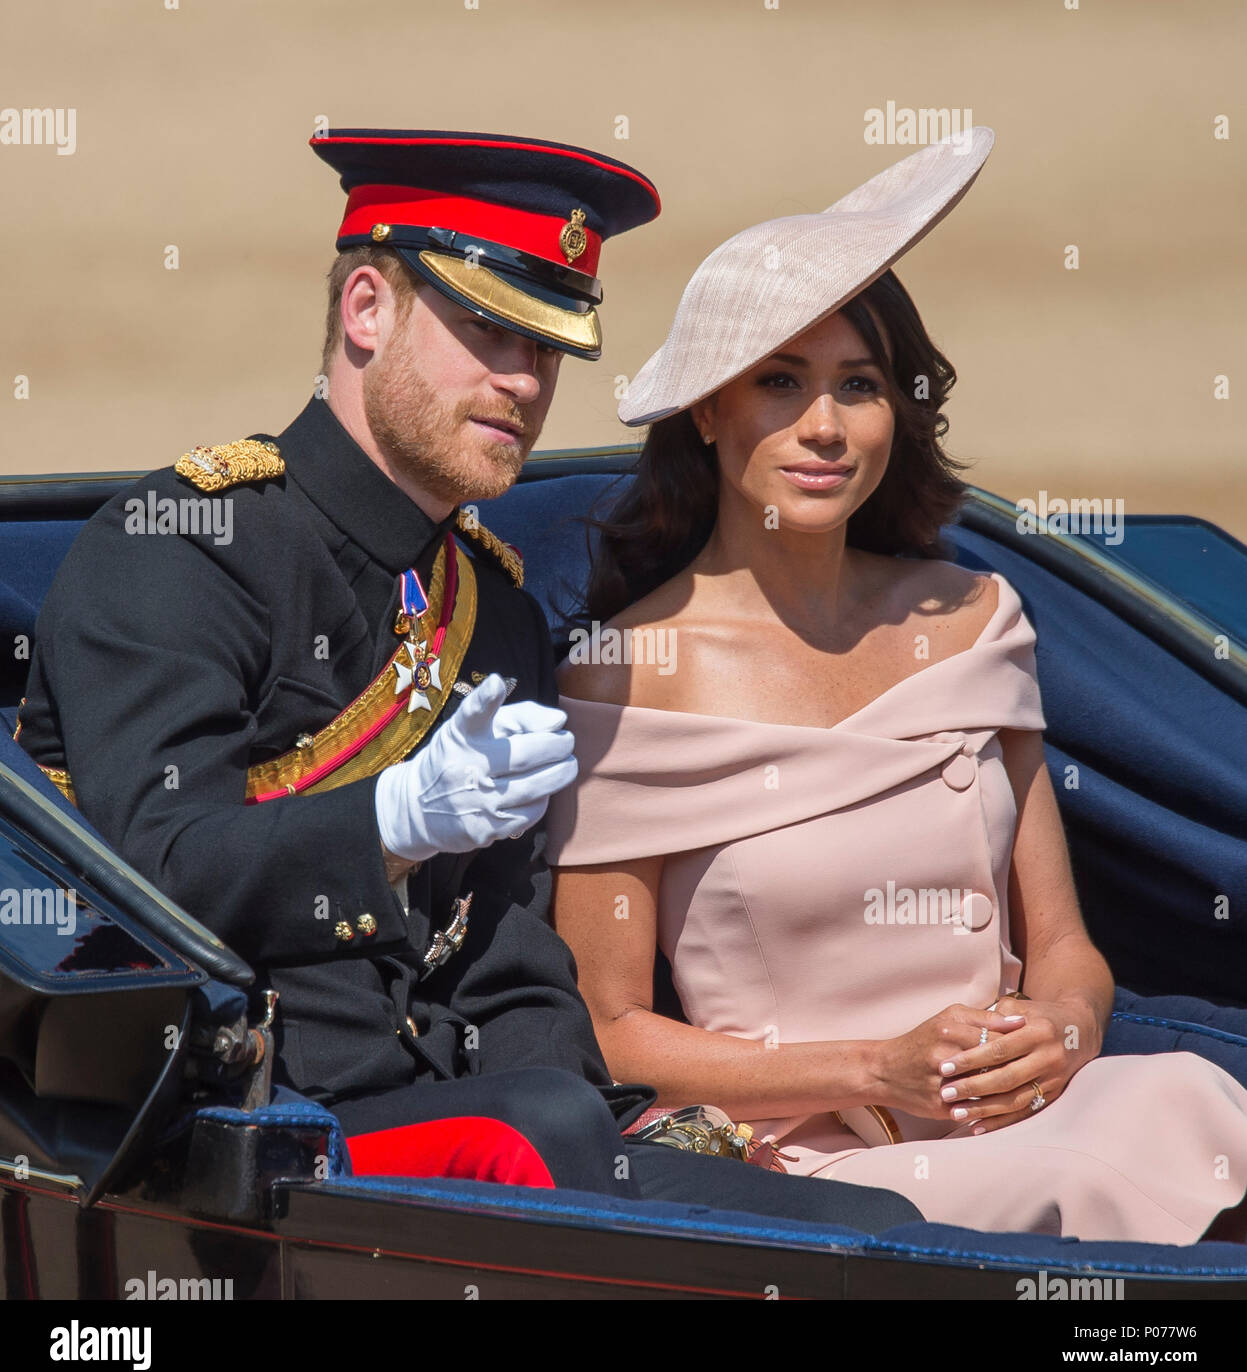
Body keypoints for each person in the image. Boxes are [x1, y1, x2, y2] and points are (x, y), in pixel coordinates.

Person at [13, 127, 919, 1229]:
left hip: (471, 1126)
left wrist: (616, 1116)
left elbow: (505, 961)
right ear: (365, 310)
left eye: (547, 349)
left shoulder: (488, 608)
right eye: (488, 329)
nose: (523, 383)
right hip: (246, 1133)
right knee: (539, 1131)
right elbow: (141, 877)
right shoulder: (186, 543)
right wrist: (386, 824)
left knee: (868, 1229)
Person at [546, 128, 1247, 1243]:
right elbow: (609, 1024)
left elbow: (1060, 943)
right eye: (779, 381)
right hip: (804, 1174)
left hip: (1035, 1115)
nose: (823, 426)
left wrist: (1062, 1028)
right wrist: (878, 1066)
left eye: (857, 385)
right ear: (707, 409)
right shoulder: (626, 673)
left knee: (1192, 1106)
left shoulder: (969, 620)